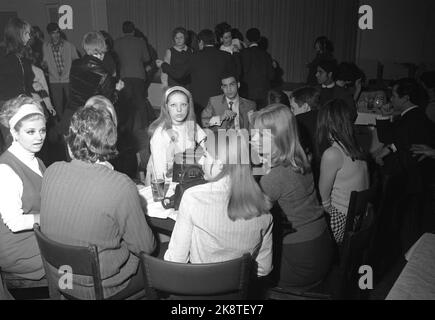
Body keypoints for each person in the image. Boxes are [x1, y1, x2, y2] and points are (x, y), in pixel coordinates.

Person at [40, 106, 156, 299]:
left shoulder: (51, 171)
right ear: (110, 144)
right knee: (159, 259)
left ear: (70, 141)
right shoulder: (119, 184)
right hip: (99, 288)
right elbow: (145, 247)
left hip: (61, 279)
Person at [164, 133, 273, 280]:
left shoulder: (193, 197)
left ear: (220, 164)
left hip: (197, 290)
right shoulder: (264, 210)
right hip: (238, 295)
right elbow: (263, 269)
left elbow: (175, 261)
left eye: (206, 156)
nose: (202, 161)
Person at [251, 103, 334, 288]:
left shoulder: (274, 178)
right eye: (254, 133)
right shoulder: (300, 159)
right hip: (321, 247)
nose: (253, 139)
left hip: (300, 262)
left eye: (261, 135)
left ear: (279, 138)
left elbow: (249, 219)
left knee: (245, 271)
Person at [0, 95, 47, 281]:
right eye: (31, 132)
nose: (39, 136)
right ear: (14, 133)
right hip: (18, 249)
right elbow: (15, 222)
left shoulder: (36, 160)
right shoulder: (5, 169)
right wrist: (53, 219)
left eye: (42, 130)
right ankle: (66, 289)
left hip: (38, 236)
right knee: (72, 258)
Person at [316, 99, 369, 243]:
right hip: (358, 220)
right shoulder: (356, 148)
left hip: (342, 224)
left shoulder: (333, 153)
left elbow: (324, 200)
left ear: (324, 123)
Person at [157, 29, 237, 122]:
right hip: (221, 99)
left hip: (199, 102)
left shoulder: (194, 57)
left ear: (201, 42)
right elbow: (234, 77)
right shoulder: (226, 56)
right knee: (221, 127)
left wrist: (163, 65)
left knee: (201, 126)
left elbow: (178, 74)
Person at [146, 86, 207, 184]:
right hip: (167, 182)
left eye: (183, 104)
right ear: (166, 107)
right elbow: (160, 174)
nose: (179, 109)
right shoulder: (160, 134)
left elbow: (208, 151)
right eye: (173, 105)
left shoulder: (193, 126)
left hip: (189, 177)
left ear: (189, 106)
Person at [67, 31, 124, 133]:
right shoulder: (104, 73)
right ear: (102, 46)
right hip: (91, 118)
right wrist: (117, 90)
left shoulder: (75, 64)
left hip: (73, 114)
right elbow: (108, 102)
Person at [0, 17, 37, 155]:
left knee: (23, 145)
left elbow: (25, 82)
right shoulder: (3, 55)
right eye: (26, 33)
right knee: (13, 145)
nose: (29, 36)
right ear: (17, 34)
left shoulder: (22, 54)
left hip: (21, 103)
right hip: (7, 106)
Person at [114, 21, 154, 135]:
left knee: (126, 103)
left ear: (123, 30)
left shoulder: (117, 42)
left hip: (124, 75)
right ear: (133, 30)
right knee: (141, 101)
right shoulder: (140, 42)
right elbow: (147, 58)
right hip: (138, 75)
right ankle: (145, 126)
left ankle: (127, 128)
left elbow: (115, 60)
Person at [42, 22, 79, 122]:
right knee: (57, 104)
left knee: (72, 102)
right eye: (53, 33)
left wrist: (73, 72)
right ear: (49, 34)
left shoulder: (69, 45)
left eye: (58, 32)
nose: (56, 35)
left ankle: (74, 121)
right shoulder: (46, 46)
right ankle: (62, 122)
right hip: (54, 79)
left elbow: (76, 60)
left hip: (67, 78)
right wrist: (44, 65)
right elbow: (45, 61)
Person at [240, 28, 275, 108]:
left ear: (247, 39)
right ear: (259, 39)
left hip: (247, 93)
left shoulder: (243, 53)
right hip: (263, 93)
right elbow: (271, 75)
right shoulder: (266, 55)